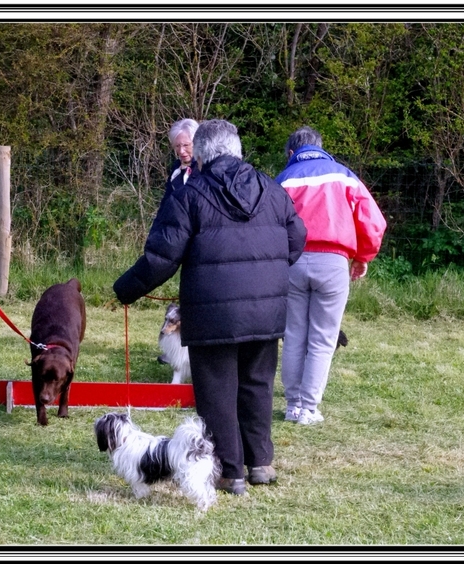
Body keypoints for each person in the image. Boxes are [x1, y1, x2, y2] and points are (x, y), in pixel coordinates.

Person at [114, 119, 306, 495]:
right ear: (237, 150)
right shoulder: (272, 189)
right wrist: (269, 270)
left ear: (199, 155)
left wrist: (126, 289)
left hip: (213, 313)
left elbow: (161, 255)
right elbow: (297, 238)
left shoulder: (191, 193)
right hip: (266, 311)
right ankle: (261, 463)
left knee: (217, 392)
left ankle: (230, 471)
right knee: (258, 386)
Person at [275, 126, 387, 426]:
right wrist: (363, 257)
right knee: (323, 339)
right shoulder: (343, 175)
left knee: (294, 336)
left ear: (291, 153)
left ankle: (293, 405)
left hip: (292, 262)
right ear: (322, 147)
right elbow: (374, 223)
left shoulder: (283, 179)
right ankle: (309, 409)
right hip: (334, 262)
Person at [162, 118, 199, 205]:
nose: (181, 151)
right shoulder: (176, 169)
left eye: (186, 145)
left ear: (197, 142)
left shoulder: (206, 169)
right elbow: (166, 202)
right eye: (177, 146)